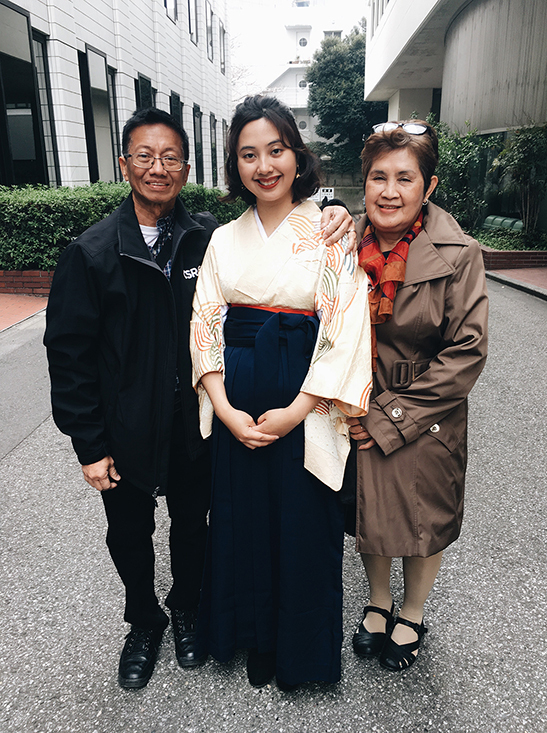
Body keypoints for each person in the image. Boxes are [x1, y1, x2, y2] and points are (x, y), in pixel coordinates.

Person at [43, 107, 354, 690]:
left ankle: (187, 606)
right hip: (127, 423)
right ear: (124, 163)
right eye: (144, 156)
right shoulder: (92, 251)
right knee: (128, 531)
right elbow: (69, 354)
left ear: (187, 167)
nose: (157, 169)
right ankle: (142, 621)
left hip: (193, 421)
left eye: (170, 158)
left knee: (194, 523)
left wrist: (337, 213)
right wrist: (89, 443)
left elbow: (228, 306)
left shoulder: (205, 235)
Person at [189, 95, 372, 690]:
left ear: (297, 155)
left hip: (305, 393)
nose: (264, 165)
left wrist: (298, 410)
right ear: (234, 165)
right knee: (240, 516)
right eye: (248, 154)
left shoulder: (329, 231)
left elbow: (345, 326)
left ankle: (296, 649)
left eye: (276, 150)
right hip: (237, 394)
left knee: (301, 522)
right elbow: (205, 321)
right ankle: (246, 633)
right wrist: (222, 408)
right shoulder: (222, 239)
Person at [347, 120, 488, 671]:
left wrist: (390, 416)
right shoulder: (342, 242)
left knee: (423, 519)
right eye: (378, 177)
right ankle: (379, 601)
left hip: (427, 408)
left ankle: (412, 611)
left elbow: (467, 353)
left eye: (404, 178)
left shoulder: (460, 253)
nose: (389, 191)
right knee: (372, 511)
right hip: (358, 401)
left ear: (427, 187)